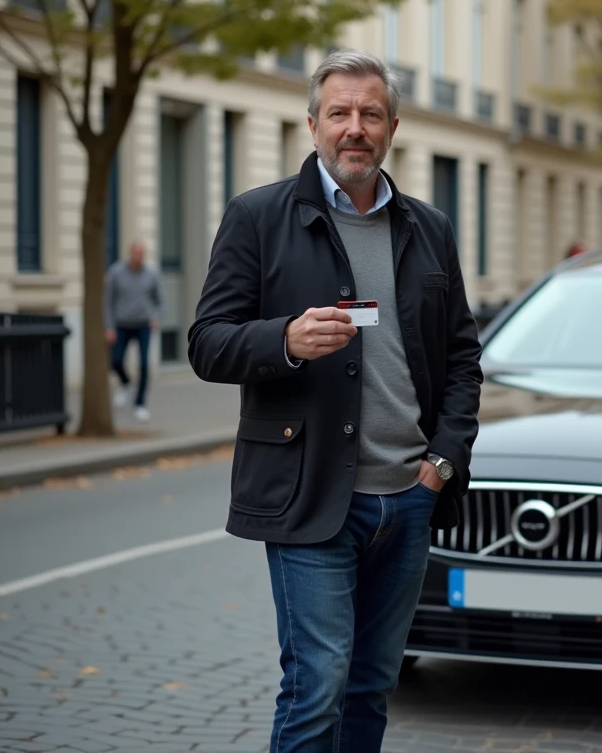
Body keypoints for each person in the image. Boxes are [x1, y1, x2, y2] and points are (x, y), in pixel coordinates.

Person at [187, 50, 483, 752]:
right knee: (316, 685)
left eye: (371, 114)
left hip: (408, 500)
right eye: (341, 113)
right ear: (313, 123)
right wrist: (283, 338)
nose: (356, 128)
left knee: (371, 685)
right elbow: (206, 343)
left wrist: (441, 462)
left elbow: (463, 358)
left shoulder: (429, 227)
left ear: (393, 126)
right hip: (312, 496)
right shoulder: (258, 217)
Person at [105, 241, 162, 422]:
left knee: (144, 365)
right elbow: (107, 302)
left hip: (143, 324)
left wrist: (156, 317)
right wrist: (109, 327)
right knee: (115, 360)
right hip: (121, 324)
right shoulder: (115, 273)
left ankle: (140, 404)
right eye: (135, 253)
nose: (138, 257)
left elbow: (160, 301)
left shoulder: (152, 274)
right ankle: (125, 382)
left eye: (141, 254)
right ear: (129, 254)